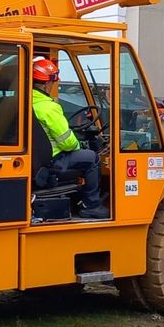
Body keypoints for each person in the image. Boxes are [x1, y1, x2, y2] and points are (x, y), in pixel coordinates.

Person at [30, 57, 108, 220]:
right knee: (92, 158)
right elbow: (67, 142)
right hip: (54, 160)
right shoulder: (49, 107)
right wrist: (79, 144)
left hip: (37, 158)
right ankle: (91, 205)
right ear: (46, 84)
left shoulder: (26, 101)